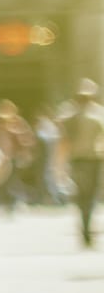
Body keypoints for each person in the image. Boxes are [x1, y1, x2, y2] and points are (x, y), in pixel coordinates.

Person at [55, 79, 104, 249]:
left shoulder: (69, 115)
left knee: (83, 198)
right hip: (90, 161)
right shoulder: (97, 115)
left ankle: (85, 229)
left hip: (81, 161)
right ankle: (86, 229)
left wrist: (60, 166)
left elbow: (63, 143)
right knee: (89, 198)